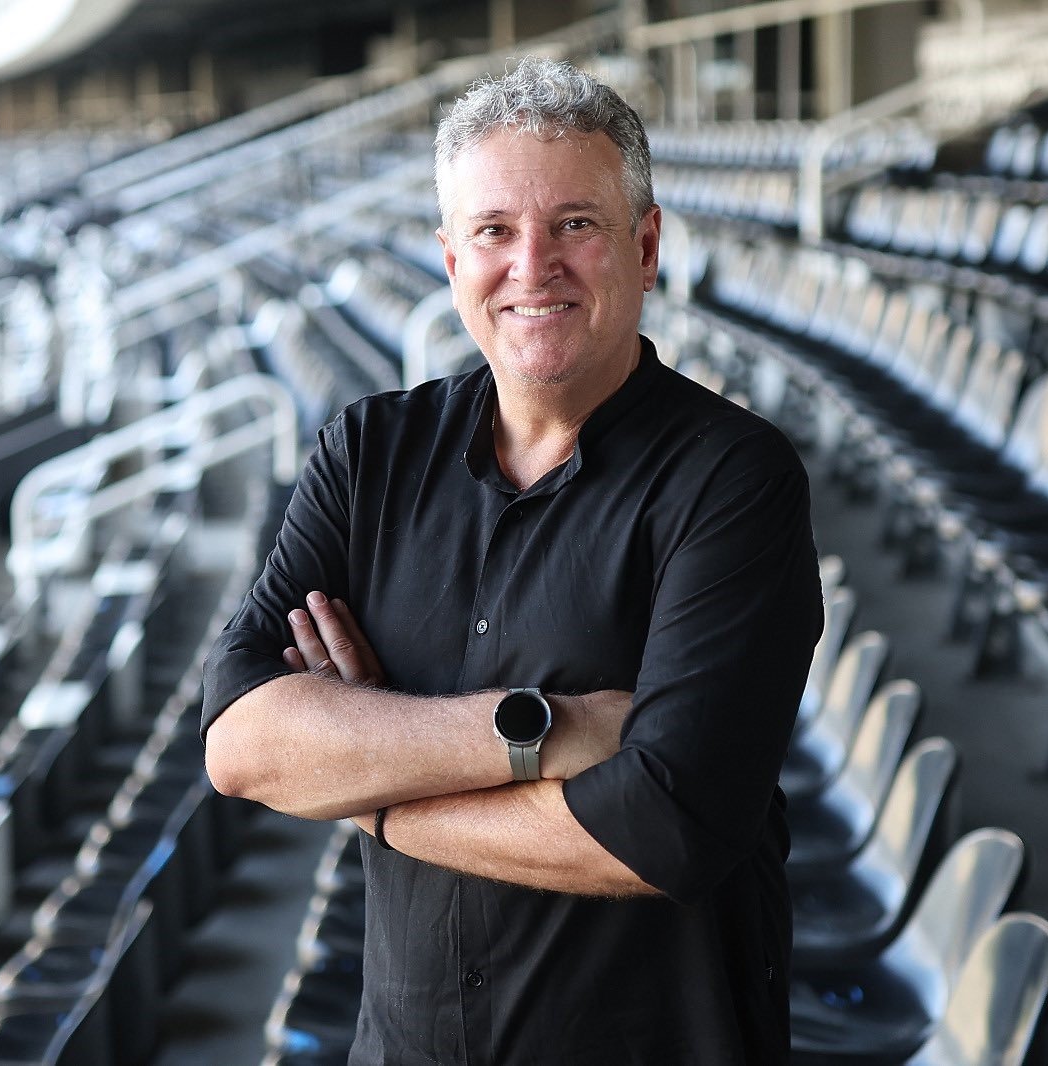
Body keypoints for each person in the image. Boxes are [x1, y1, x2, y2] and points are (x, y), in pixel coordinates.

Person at [202, 55, 823, 1064]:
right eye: (494, 231)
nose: (532, 266)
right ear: (452, 260)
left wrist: (370, 789)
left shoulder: (734, 480)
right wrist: (543, 731)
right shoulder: (366, 453)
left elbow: (662, 830)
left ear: (646, 247)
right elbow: (240, 742)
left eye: (575, 224)